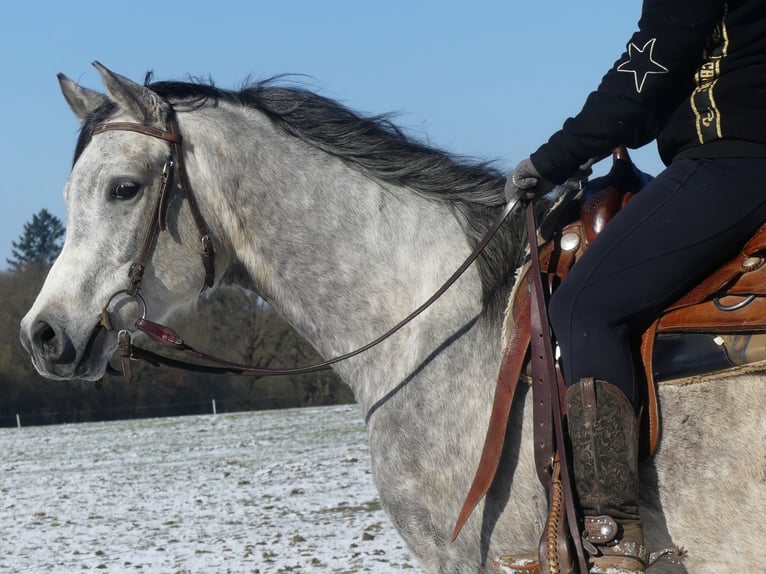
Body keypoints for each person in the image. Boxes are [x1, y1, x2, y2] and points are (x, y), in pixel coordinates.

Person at [510, 2, 766, 572]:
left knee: (583, 307)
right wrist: (631, 124)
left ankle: (611, 538)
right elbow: (677, 73)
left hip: (731, 160)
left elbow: (648, 64)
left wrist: (554, 158)